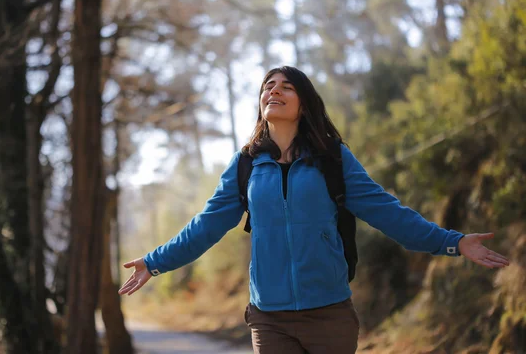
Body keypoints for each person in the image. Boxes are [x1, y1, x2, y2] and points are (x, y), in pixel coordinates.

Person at [118, 66, 510, 353]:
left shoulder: (332, 160)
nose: (275, 90)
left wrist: (453, 243)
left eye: (287, 87)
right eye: (268, 86)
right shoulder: (246, 166)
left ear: (303, 104)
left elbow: (388, 212)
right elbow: (205, 227)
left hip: (329, 315)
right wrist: (155, 262)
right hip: (268, 318)